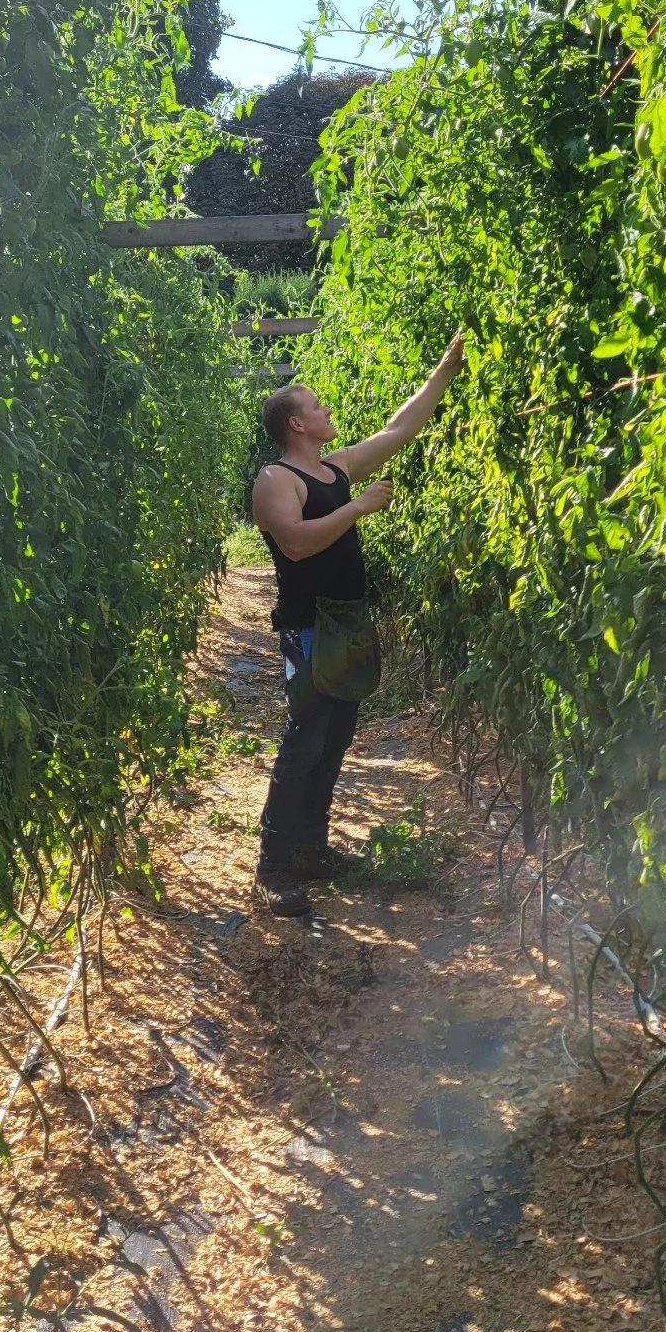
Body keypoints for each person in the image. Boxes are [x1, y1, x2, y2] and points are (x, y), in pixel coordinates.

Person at [251, 335, 466, 918]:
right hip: (309, 629)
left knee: (335, 737)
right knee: (303, 739)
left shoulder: (336, 468)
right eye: (316, 406)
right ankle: (273, 865)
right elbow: (295, 545)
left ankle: (312, 850)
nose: (327, 412)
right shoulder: (277, 481)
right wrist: (358, 509)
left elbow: (398, 432)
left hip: (346, 624)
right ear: (296, 424)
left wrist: (442, 374)